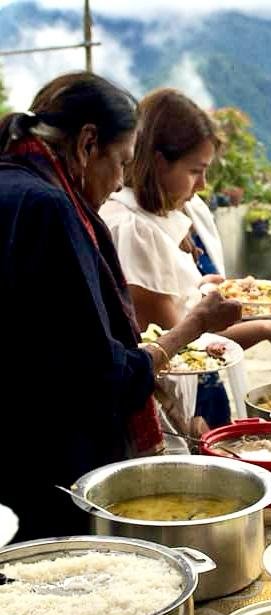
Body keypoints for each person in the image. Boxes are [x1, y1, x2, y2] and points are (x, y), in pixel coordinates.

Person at [0, 73, 242, 541]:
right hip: (45, 467)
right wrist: (188, 330)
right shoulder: (48, 209)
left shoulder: (12, 186)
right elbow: (100, 372)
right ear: (88, 143)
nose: (115, 185)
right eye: (120, 162)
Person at [100, 88, 271, 428]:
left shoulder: (185, 210)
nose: (203, 184)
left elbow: (183, 302)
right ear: (158, 162)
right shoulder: (131, 231)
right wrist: (264, 328)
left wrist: (202, 289)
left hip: (208, 393)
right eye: (194, 171)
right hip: (166, 409)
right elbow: (175, 346)